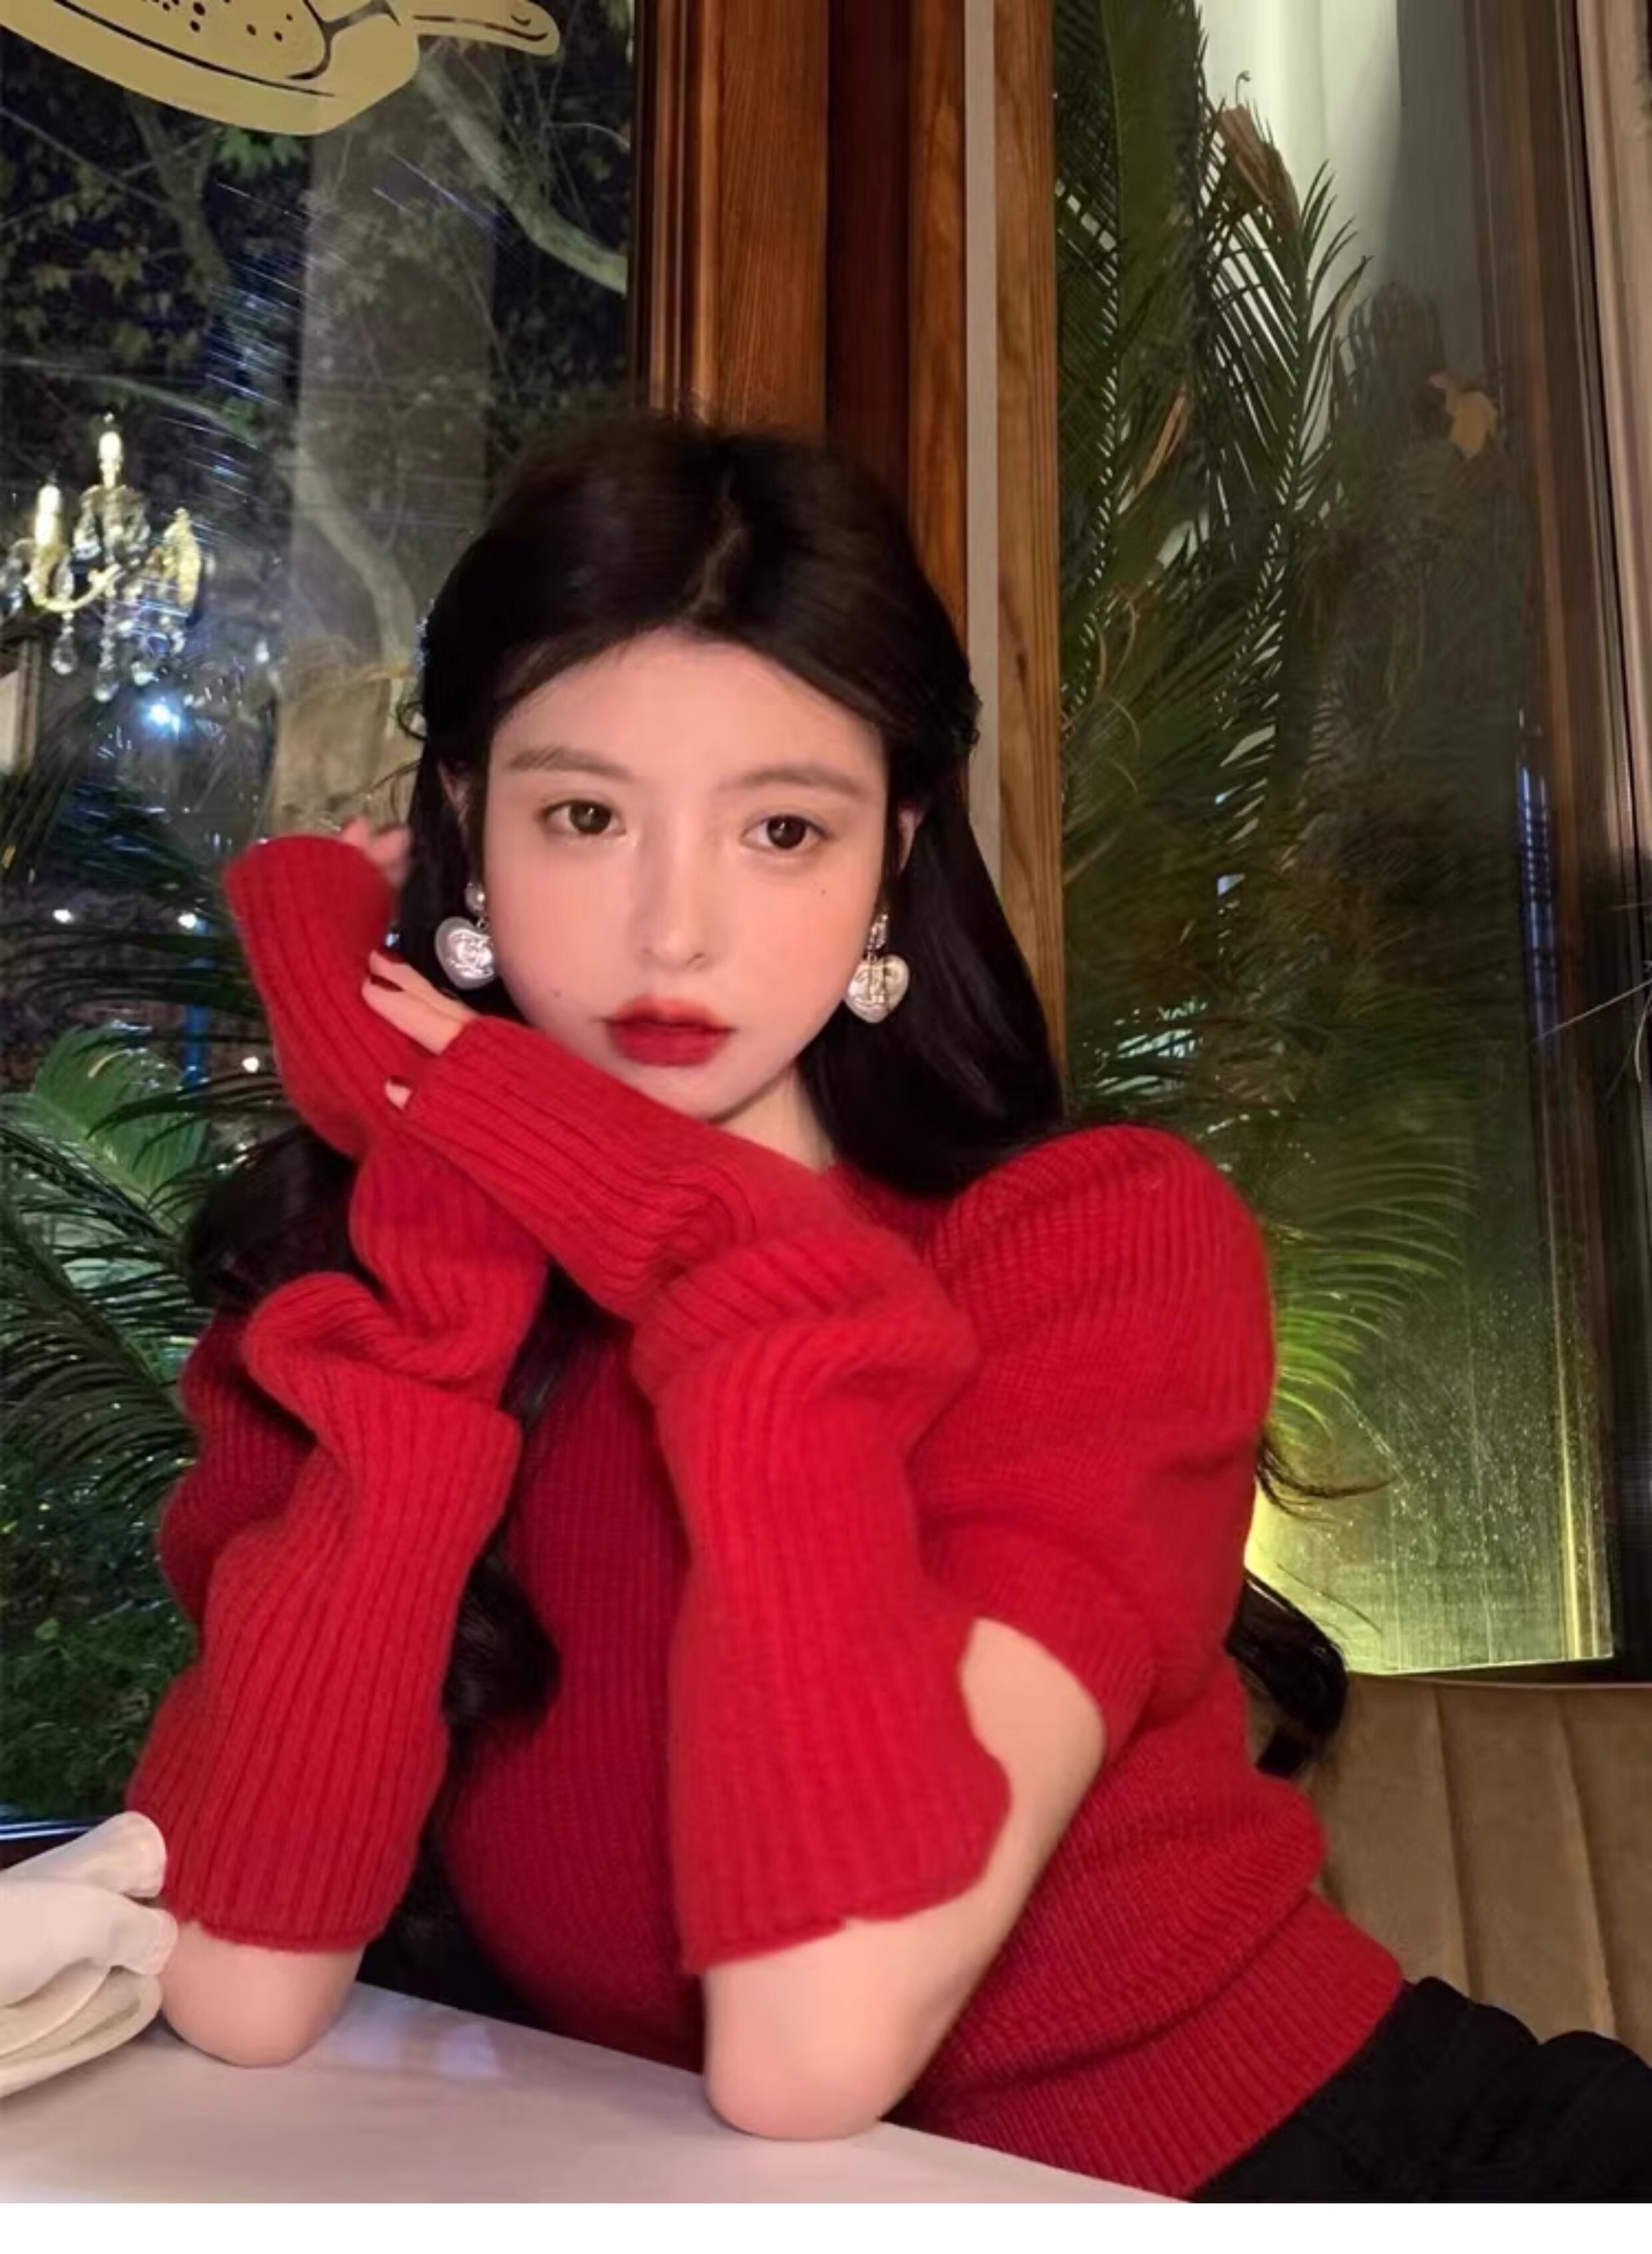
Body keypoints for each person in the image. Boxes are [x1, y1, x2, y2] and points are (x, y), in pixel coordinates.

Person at [125, 415, 1652, 2200]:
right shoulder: (357, 1308)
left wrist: (710, 1244)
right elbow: (241, 1989)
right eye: (585, 816)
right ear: (464, 820)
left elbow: (814, 2045)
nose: (674, 932)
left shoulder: (1091, 1244)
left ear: (891, 855)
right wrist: (437, 1249)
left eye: (784, 827)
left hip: (1297, 2177)